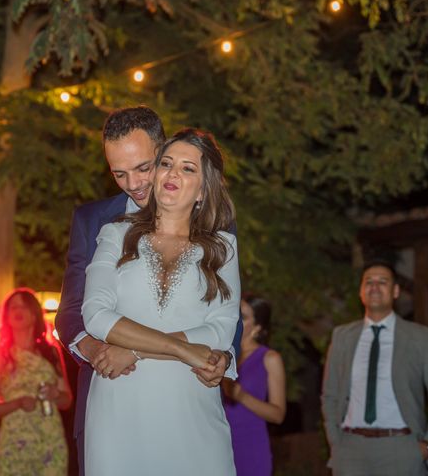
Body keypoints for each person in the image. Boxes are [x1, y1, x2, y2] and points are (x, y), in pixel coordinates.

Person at [54, 105, 240, 474]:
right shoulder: (99, 224)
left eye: (143, 167)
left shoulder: (218, 232)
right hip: (115, 396)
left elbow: (225, 319)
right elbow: (76, 308)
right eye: (119, 173)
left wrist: (224, 357)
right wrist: (98, 349)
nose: (134, 183)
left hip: (189, 400)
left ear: (163, 150)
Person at [321, 260, 428, 476]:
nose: (374, 287)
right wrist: (336, 443)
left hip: (401, 449)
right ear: (361, 292)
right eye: (368, 282)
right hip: (350, 451)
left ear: (395, 291)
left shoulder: (420, 338)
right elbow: (330, 395)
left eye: (382, 282)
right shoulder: (342, 337)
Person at [0, 288, 72, 475]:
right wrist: (17, 403)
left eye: (24, 305)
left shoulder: (51, 352)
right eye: (13, 307)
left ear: (34, 314)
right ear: (6, 316)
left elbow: (67, 400)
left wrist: (55, 394)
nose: (18, 310)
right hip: (15, 442)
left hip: (50, 440)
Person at [223, 295, 286, 476]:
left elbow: (278, 415)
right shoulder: (220, 353)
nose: (235, 319)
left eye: (242, 316)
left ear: (257, 328)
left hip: (249, 445)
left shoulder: (269, 358)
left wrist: (240, 395)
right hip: (216, 441)